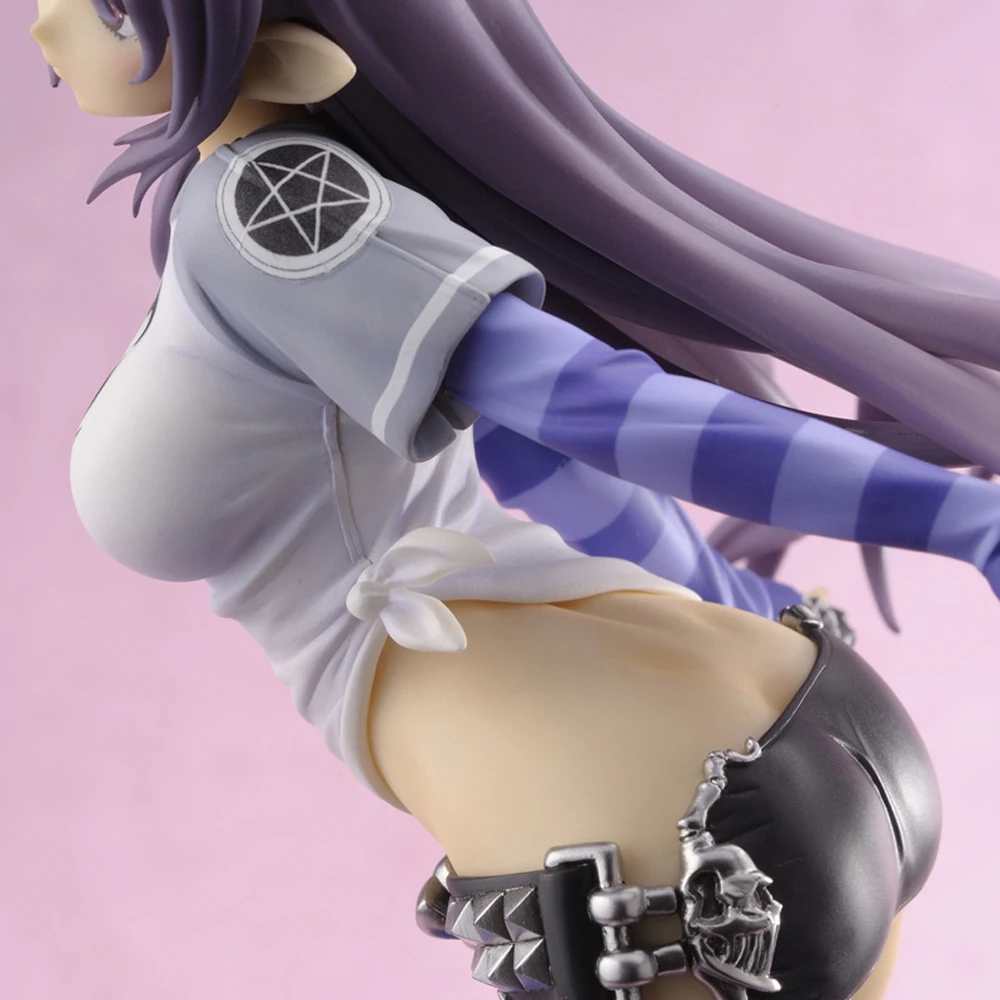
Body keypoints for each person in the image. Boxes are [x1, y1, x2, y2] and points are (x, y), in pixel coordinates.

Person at [30, 2, 1000, 998]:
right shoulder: (312, 195)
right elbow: (539, 456)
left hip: (644, 827)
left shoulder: (267, 216)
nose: (45, 24)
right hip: (771, 708)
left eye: (115, 8)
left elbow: (599, 408)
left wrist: (961, 521)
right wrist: (725, 594)